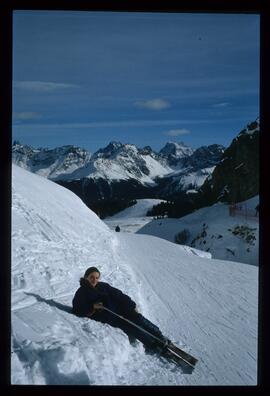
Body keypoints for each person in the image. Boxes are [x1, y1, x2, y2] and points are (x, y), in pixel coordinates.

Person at [72, 266, 169, 353]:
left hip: (120, 309)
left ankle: (159, 335)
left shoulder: (103, 286)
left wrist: (131, 304)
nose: (94, 280)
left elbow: (118, 294)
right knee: (131, 328)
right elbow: (77, 309)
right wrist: (92, 307)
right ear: (86, 277)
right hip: (111, 318)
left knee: (138, 318)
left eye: (97, 278)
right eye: (91, 277)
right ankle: (153, 344)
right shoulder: (81, 293)